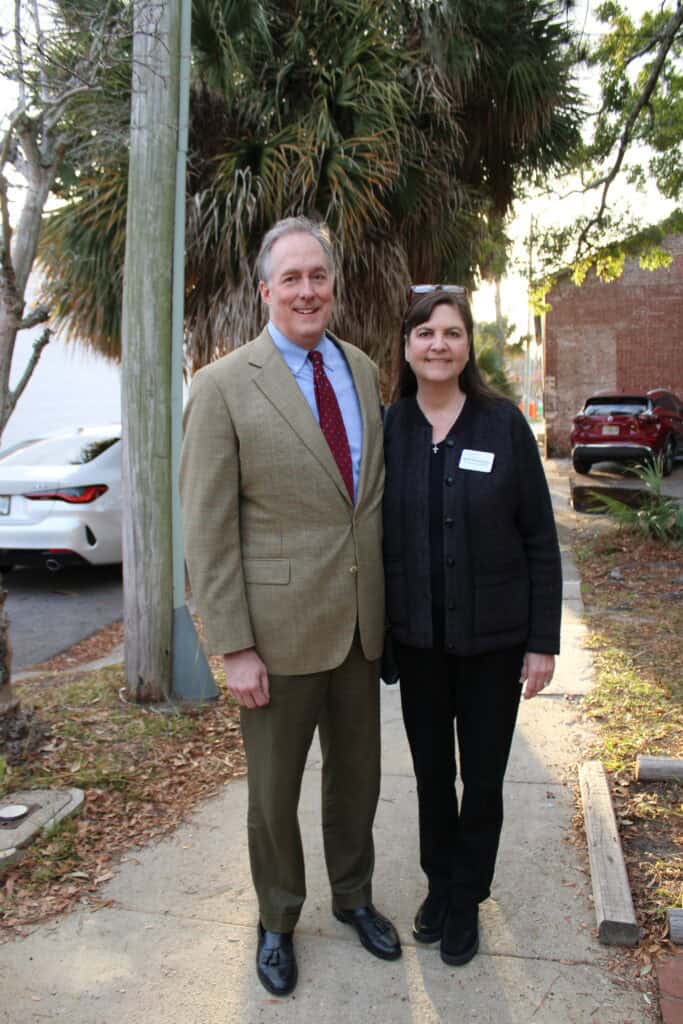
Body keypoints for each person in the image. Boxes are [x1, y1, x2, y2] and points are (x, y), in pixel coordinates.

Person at [179, 217, 401, 998]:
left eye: (319, 276)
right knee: (273, 793)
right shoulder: (221, 385)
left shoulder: (365, 370)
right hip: (273, 636)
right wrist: (232, 645)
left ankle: (354, 897)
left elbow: (364, 505)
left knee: (358, 781)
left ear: (333, 286)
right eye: (292, 278)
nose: (307, 290)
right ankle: (277, 917)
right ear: (265, 289)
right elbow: (205, 528)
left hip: (359, 626)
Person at [383, 286, 562, 967]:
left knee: (481, 780)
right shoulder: (390, 427)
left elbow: (539, 539)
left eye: (451, 332)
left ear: (467, 346)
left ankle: (466, 899)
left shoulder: (501, 424)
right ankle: (438, 885)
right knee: (432, 776)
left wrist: (541, 641)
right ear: (406, 346)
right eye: (424, 332)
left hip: (493, 645)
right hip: (418, 643)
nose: (437, 344)